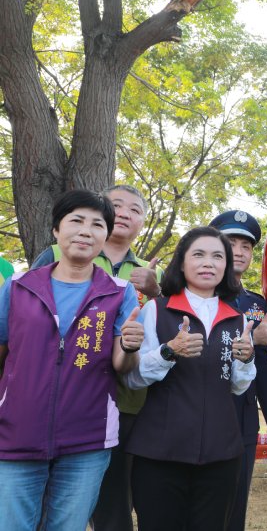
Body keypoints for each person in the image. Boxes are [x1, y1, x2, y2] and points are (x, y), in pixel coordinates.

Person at [0, 189, 142, 530]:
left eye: (96, 225)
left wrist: (132, 346)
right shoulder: (18, 287)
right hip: (16, 434)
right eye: (75, 221)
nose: (85, 231)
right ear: (56, 230)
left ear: (105, 236)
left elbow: (122, 365)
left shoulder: (120, 292)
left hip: (87, 439)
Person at [30, 184, 163, 531]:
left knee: (115, 498)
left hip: (127, 401)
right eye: (116, 205)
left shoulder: (153, 275)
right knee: (47, 496)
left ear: (142, 222)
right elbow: (29, 314)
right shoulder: (58, 254)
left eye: (135, 210)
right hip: (60, 398)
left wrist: (157, 290)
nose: (124, 213)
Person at [125, 226, 256, 531]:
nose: (208, 262)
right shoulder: (157, 310)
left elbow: (237, 385)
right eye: (198, 254)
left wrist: (246, 358)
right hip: (159, 452)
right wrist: (169, 352)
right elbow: (133, 378)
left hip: (221, 454)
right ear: (181, 263)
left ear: (226, 267)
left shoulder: (237, 319)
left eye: (217, 256)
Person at [209, 210, 267, 531]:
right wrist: (250, 339)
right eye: (231, 243)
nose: (239, 251)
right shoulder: (201, 295)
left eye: (247, 246)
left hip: (242, 417)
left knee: (235, 502)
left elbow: (264, 365)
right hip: (202, 412)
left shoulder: (256, 303)